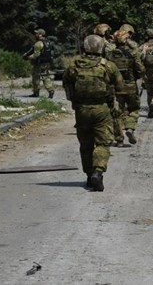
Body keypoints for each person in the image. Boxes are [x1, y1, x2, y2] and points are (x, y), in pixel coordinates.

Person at [62, 35, 124, 192]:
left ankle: (89, 176)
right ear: (101, 48)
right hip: (101, 110)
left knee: (85, 144)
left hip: (81, 110)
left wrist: (74, 101)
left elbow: (67, 84)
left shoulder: (74, 65)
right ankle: (98, 171)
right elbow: (120, 85)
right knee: (102, 143)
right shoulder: (107, 66)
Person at [107, 28, 145, 146]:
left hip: (115, 88)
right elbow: (141, 70)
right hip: (130, 86)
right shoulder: (133, 53)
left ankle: (119, 140)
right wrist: (137, 76)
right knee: (134, 109)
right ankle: (130, 127)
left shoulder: (109, 55)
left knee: (117, 113)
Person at [26, 28, 55, 98]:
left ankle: (36, 92)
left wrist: (29, 57)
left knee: (36, 77)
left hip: (39, 63)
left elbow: (36, 54)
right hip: (47, 63)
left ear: (40, 35)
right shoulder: (48, 42)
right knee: (46, 76)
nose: (35, 35)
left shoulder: (38, 43)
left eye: (36, 33)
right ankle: (51, 90)